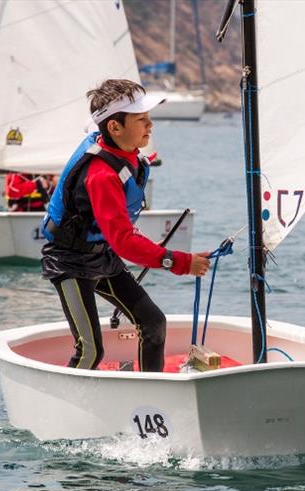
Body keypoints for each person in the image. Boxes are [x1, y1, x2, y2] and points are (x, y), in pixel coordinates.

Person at [40, 78, 210, 372]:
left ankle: (152, 396)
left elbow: (93, 125)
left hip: (100, 255)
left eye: (148, 118)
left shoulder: (113, 140)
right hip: (69, 261)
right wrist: (181, 262)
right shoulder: (101, 176)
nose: (150, 125)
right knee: (91, 350)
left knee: (153, 323)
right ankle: (70, 409)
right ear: (115, 128)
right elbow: (124, 242)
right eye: (141, 119)